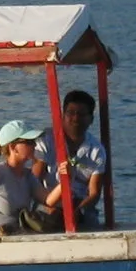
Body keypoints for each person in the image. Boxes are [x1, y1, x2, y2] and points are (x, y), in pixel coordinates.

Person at [31, 89, 111, 230]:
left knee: (91, 223)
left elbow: (94, 193)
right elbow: (34, 180)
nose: (75, 118)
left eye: (81, 114)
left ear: (91, 119)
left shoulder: (96, 150)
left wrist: (76, 210)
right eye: (71, 113)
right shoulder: (46, 140)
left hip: (80, 205)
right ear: (63, 115)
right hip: (48, 201)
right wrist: (49, 205)